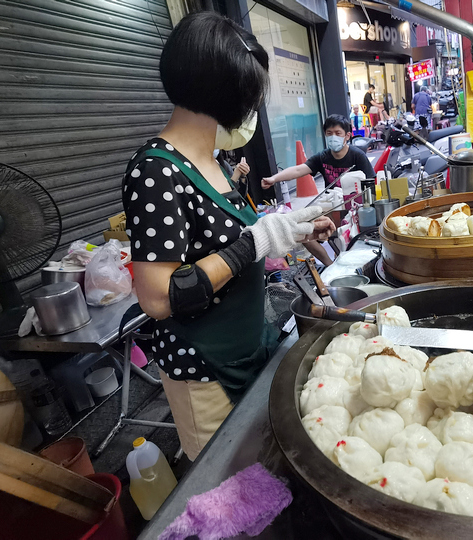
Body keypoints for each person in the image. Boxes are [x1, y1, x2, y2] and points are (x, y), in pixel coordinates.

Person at [122, 12, 335, 460]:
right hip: (203, 369)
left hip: (246, 345)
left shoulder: (213, 162)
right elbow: (158, 297)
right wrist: (255, 242)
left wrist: (290, 232)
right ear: (224, 92)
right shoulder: (155, 170)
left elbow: (224, 243)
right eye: (251, 95)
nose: (254, 107)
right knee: (229, 490)